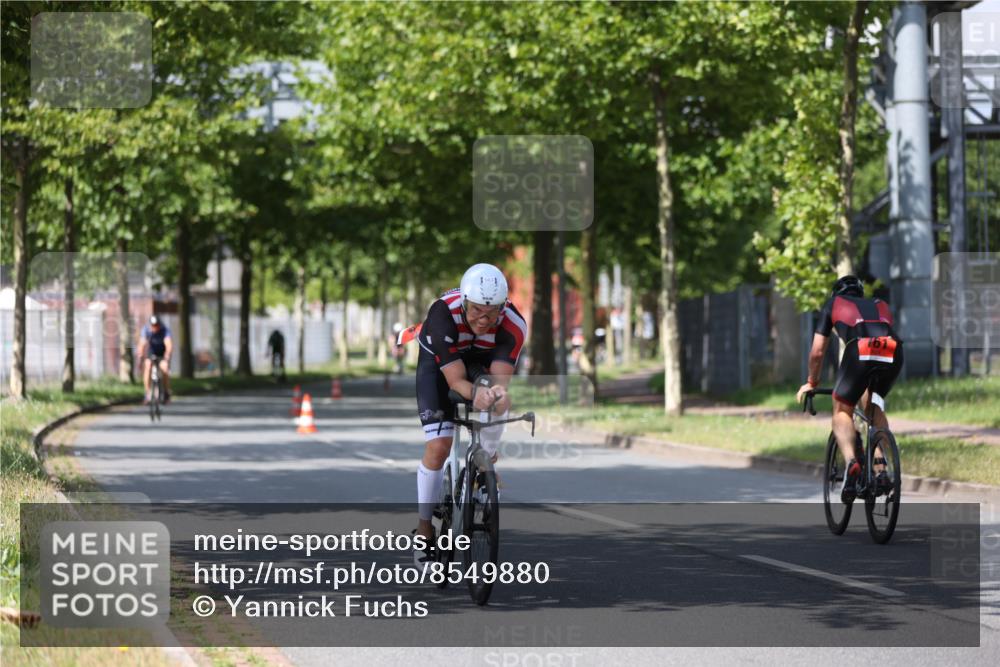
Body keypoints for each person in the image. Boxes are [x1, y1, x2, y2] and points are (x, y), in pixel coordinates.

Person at [411, 263, 527, 568]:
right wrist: (474, 393)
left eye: (492, 313)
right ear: (464, 302)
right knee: (439, 446)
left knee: (499, 401)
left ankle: (485, 463)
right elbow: (456, 382)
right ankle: (424, 533)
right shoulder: (442, 315)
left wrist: (496, 395)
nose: (484, 319)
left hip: (482, 359)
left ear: (503, 307)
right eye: (476, 310)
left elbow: (500, 381)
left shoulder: (512, 324)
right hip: (441, 366)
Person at [796, 275, 904, 503]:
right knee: (873, 406)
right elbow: (880, 336)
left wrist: (812, 382)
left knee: (842, 411)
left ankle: (852, 463)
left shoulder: (832, 304)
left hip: (860, 351)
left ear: (837, 293)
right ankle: (881, 470)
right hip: (893, 349)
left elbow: (817, 352)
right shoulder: (880, 304)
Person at [138, 315, 173, 405]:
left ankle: (166, 392)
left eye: (156, 325)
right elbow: (142, 343)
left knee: (164, 369)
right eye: (153, 326)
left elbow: (168, 344)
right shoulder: (146, 330)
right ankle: (147, 393)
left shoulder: (164, 330)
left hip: (162, 354)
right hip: (151, 354)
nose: (155, 327)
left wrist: (167, 356)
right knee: (148, 366)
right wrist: (140, 355)